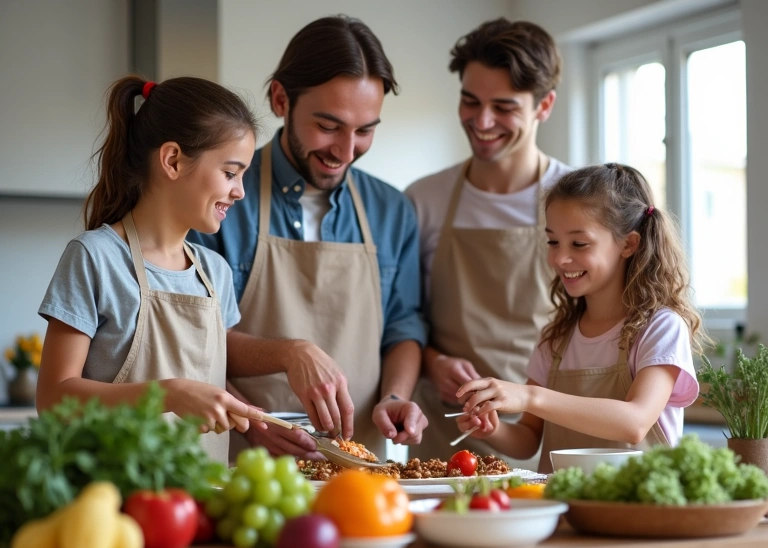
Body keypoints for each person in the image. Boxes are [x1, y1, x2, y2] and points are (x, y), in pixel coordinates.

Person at [36, 75, 338, 465]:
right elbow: (53, 398)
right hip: (113, 507)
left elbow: (214, 366)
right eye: (230, 173)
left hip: (202, 500)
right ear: (173, 160)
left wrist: (267, 416)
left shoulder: (214, 271)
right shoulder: (95, 257)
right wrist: (168, 394)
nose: (240, 191)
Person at [189, 15, 428, 462]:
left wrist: (395, 396)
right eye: (329, 126)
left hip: (357, 473)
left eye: (365, 130)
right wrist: (257, 415)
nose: (345, 150)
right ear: (281, 99)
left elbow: (403, 326)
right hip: (241, 460)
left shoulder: (392, 211)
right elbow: (191, 338)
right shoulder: (219, 200)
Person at [455, 163, 704, 473]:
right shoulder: (556, 338)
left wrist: (530, 396)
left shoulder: (661, 328)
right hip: (565, 511)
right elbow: (528, 439)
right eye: (553, 241)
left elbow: (635, 422)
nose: (560, 258)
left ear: (629, 244)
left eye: (579, 244)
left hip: (641, 514)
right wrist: (493, 429)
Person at [405, 19, 572, 462]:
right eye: (470, 101)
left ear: (545, 105)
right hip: (447, 441)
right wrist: (432, 362)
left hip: (556, 434)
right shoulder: (424, 199)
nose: (482, 122)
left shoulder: (580, 200)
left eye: (504, 107)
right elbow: (398, 318)